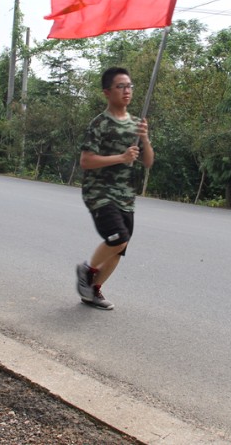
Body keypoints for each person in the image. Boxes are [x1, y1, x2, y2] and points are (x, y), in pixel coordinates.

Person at [75, 67, 154, 310]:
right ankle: (86, 271)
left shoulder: (135, 124)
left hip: (124, 195)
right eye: (121, 86)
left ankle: (93, 291)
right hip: (99, 192)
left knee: (120, 247)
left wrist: (145, 139)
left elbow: (148, 162)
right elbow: (86, 161)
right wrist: (120, 157)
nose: (127, 91)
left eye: (129, 86)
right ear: (107, 92)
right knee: (117, 238)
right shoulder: (100, 123)